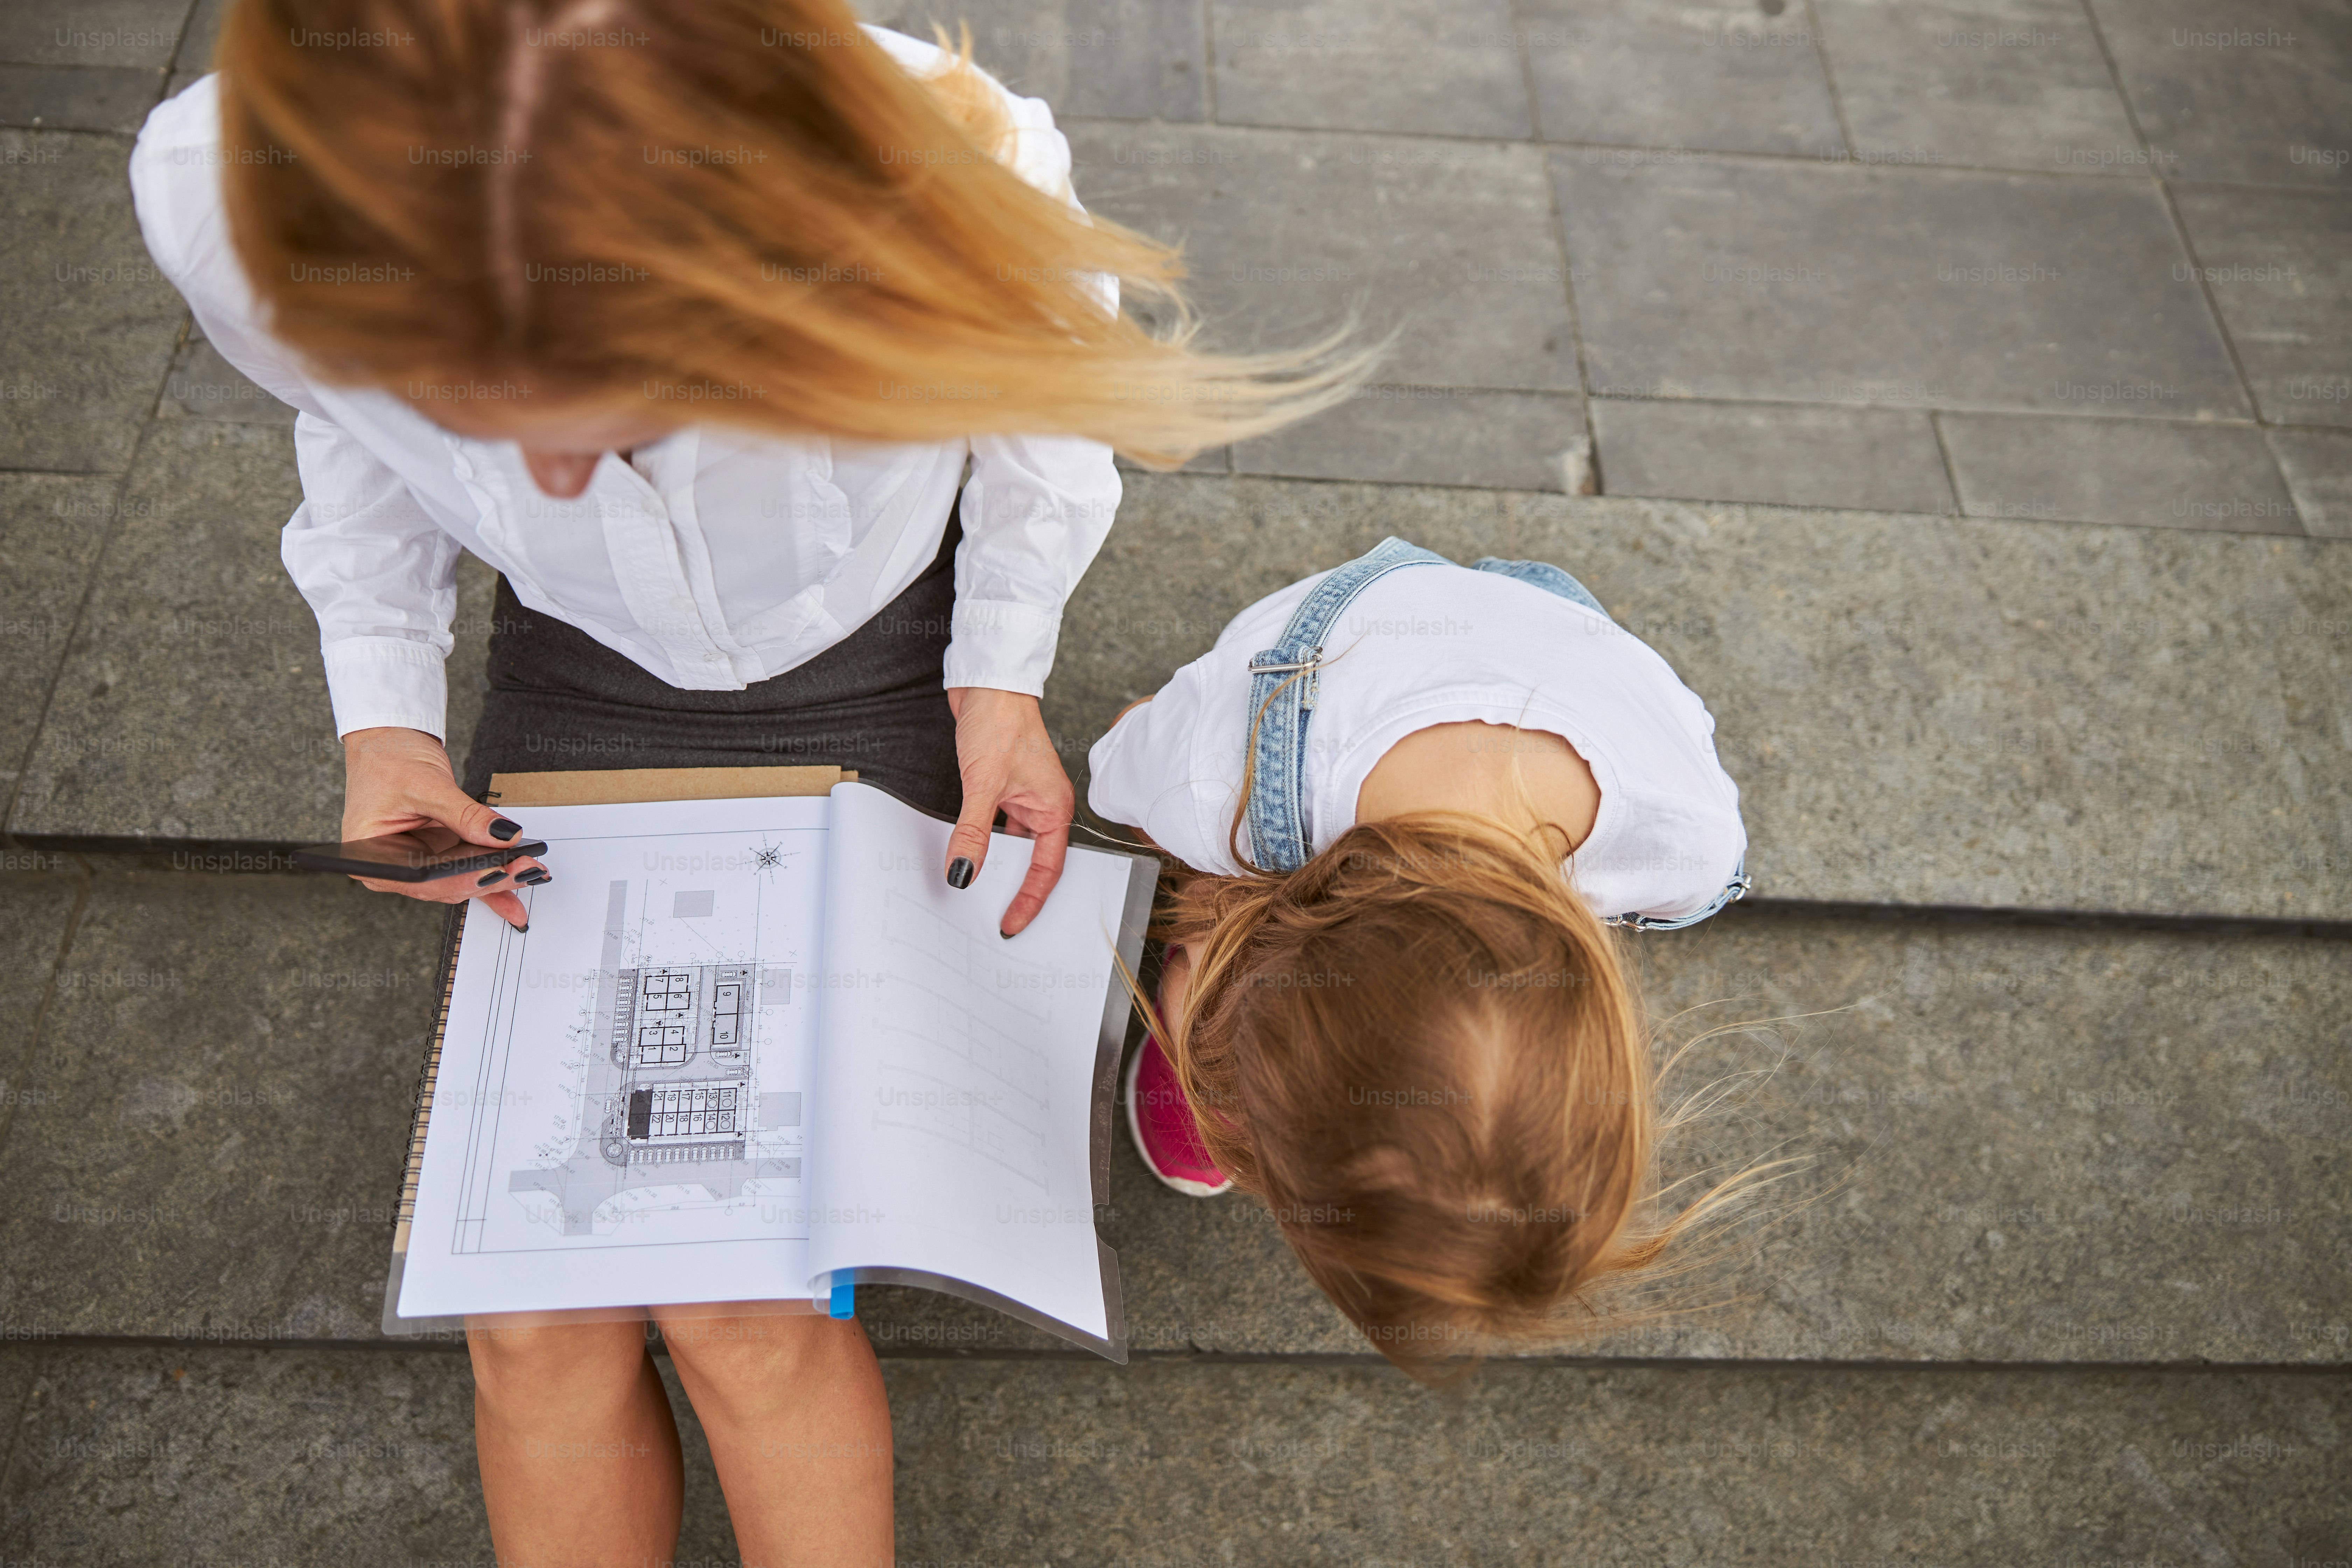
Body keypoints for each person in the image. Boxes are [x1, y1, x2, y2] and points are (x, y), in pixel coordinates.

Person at [129, 1, 1362, 1560]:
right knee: (530, 1320)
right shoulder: (210, 197)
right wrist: (385, 717)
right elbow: (343, 411)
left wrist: (999, 673)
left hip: (880, 649)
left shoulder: (929, 154)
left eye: (642, 401)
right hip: (580, 675)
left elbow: (1045, 417)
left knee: (739, 1300)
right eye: (485, 406)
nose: (562, 480)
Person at [1087, 537, 1756, 1375]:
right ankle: (1219, 1026)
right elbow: (1120, 748)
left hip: (1562, 643)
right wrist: (1156, 751)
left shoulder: (1686, 841)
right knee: (1196, 852)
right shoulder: (1235, 783)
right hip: (1333, 649)